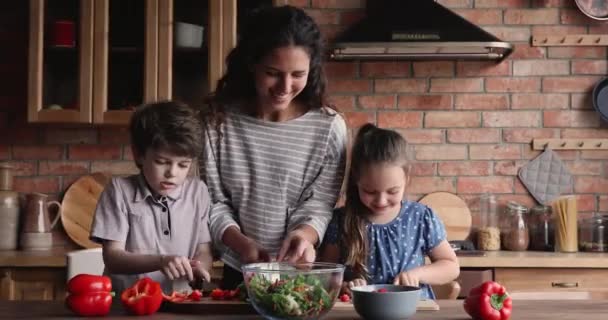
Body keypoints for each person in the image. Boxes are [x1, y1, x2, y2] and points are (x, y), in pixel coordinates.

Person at [201, 5, 348, 289]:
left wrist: (304, 237)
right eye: (273, 72)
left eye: (298, 74)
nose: (285, 86)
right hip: (239, 269)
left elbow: (320, 203)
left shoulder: (329, 127)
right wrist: (244, 246)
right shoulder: (217, 122)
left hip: (302, 271)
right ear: (251, 63)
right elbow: (213, 202)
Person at [319, 123, 459, 299]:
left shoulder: (420, 217)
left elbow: (451, 266)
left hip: (412, 311)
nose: (381, 201)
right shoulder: (341, 220)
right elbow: (325, 275)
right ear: (356, 180)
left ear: (406, 179)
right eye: (370, 191)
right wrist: (345, 286)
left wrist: (417, 275)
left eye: (392, 191)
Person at [90, 101, 213, 294]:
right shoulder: (119, 192)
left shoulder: (198, 192)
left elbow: (204, 251)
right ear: (138, 155)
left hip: (181, 302)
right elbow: (113, 258)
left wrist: (200, 267)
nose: (172, 173)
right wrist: (161, 261)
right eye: (162, 162)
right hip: (127, 304)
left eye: (183, 165)